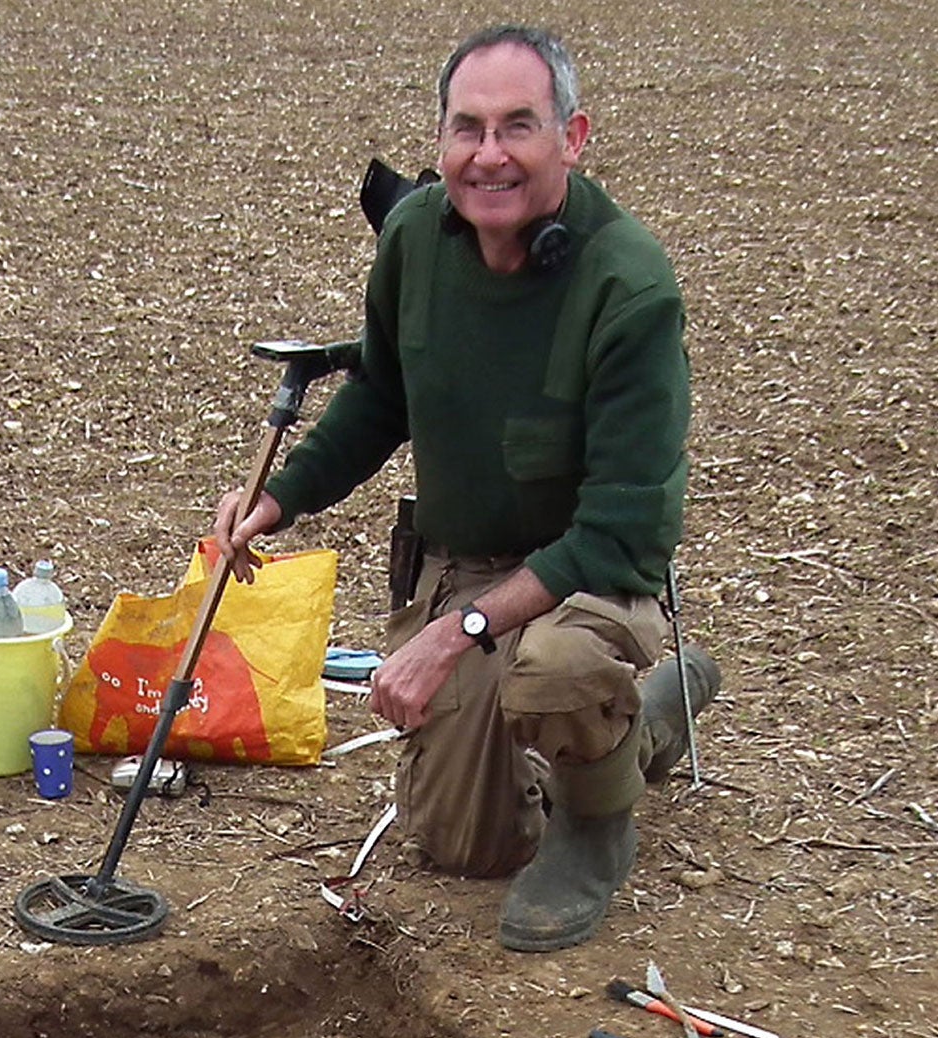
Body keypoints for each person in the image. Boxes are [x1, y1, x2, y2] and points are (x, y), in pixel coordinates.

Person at [211, 23, 720, 951]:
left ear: (572, 137)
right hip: (463, 566)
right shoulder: (413, 237)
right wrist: (276, 499)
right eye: (467, 129)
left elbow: (619, 532)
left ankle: (599, 823)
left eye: (518, 127)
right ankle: (646, 727)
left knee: (556, 675)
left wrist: (460, 633)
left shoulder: (630, 286)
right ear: (441, 140)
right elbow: (380, 396)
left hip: (585, 582)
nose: (489, 155)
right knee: (463, 846)